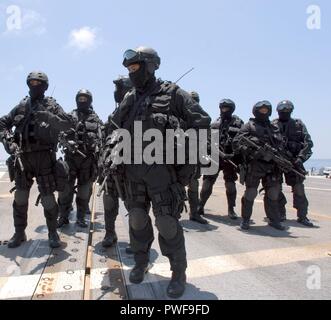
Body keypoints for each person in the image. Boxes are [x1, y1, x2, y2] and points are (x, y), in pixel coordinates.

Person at [104, 47, 211, 298]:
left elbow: (201, 122)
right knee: (138, 219)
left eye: (136, 68)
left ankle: (178, 272)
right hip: (133, 172)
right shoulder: (130, 97)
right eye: (129, 69)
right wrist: (112, 150)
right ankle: (140, 262)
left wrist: (187, 159)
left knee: (167, 223)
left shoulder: (172, 94)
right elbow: (112, 126)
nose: (132, 73)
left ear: (151, 66)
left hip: (163, 172)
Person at [0, 71, 73, 248]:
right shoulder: (21, 106)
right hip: (22, 157)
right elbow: (3, 124)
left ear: (45, 86)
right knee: (20, 196)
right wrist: (8, 142)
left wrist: (49, 117)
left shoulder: (52, 106)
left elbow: (69, 124)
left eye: (38, 83)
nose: (35, 86)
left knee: (48, 198)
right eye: (31, 82)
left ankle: (53, 232)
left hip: (44, 158)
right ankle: (19, 232)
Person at [233, 101, 286, 231]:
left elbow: (281, 144)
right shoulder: (249, 126)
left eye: (266, 110)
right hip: (255, 164)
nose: (264, 112)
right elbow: (237, 143)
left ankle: (274, 219)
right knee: (250, 193)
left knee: (273, 193)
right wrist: (253, 152)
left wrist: (276, 153)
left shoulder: (274, 127)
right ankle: (245, 220)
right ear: (256, 111)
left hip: (272, 165)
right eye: (261, 110)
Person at [57, 89, 103, 228]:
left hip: (88, 161)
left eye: (85, 98)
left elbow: (102, 137)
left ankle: (81, 217)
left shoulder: (95, 119)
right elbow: (60, 134)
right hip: (71, 159)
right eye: (80, 98)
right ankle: (63, 217)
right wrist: (66, 142)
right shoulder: (70, 116)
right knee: (65, 190)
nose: (82, 101)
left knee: (84, 192)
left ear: (89, 100)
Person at [100, 76, 133, 248]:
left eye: (119, 88)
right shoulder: (114, 113)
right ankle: (110, 233)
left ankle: (137, 240)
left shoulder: (137, 110)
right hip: (111, 167)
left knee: (133, 205)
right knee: (109, 201)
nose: (116, 92)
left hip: (130, 167)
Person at [198, 99, 244, 220]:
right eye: (223, 108)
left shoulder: (238, 124)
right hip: (215, 158)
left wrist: (234, 154)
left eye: (227, 108)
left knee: (230, 185)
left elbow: (242, 141)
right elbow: (207, 140)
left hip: (230, 159)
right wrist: (212, 150)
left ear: (232, 109)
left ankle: (231, 209)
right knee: (207, 184)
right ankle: (200, 205)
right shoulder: (214, 123)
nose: (224, 110)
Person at [272, 100, 314, 227]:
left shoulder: (298, 124)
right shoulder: (272, 124)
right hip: (277, 162)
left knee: (299, 189)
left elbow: (308, 143)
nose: (284, 112)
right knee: (275, 189)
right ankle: (280, 213)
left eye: (287, 110)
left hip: (295, 162)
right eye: (282, 110)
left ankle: (302, 216)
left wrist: (300, 159)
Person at [186, 91, 208, 225]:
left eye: (195, 100)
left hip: (195, 158)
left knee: (193, 186)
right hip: (178, 158)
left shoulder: (201, 119)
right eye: (191, 100)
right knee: (175, 187)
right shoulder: (178, 117)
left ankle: (194, 213)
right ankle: (173, 214)